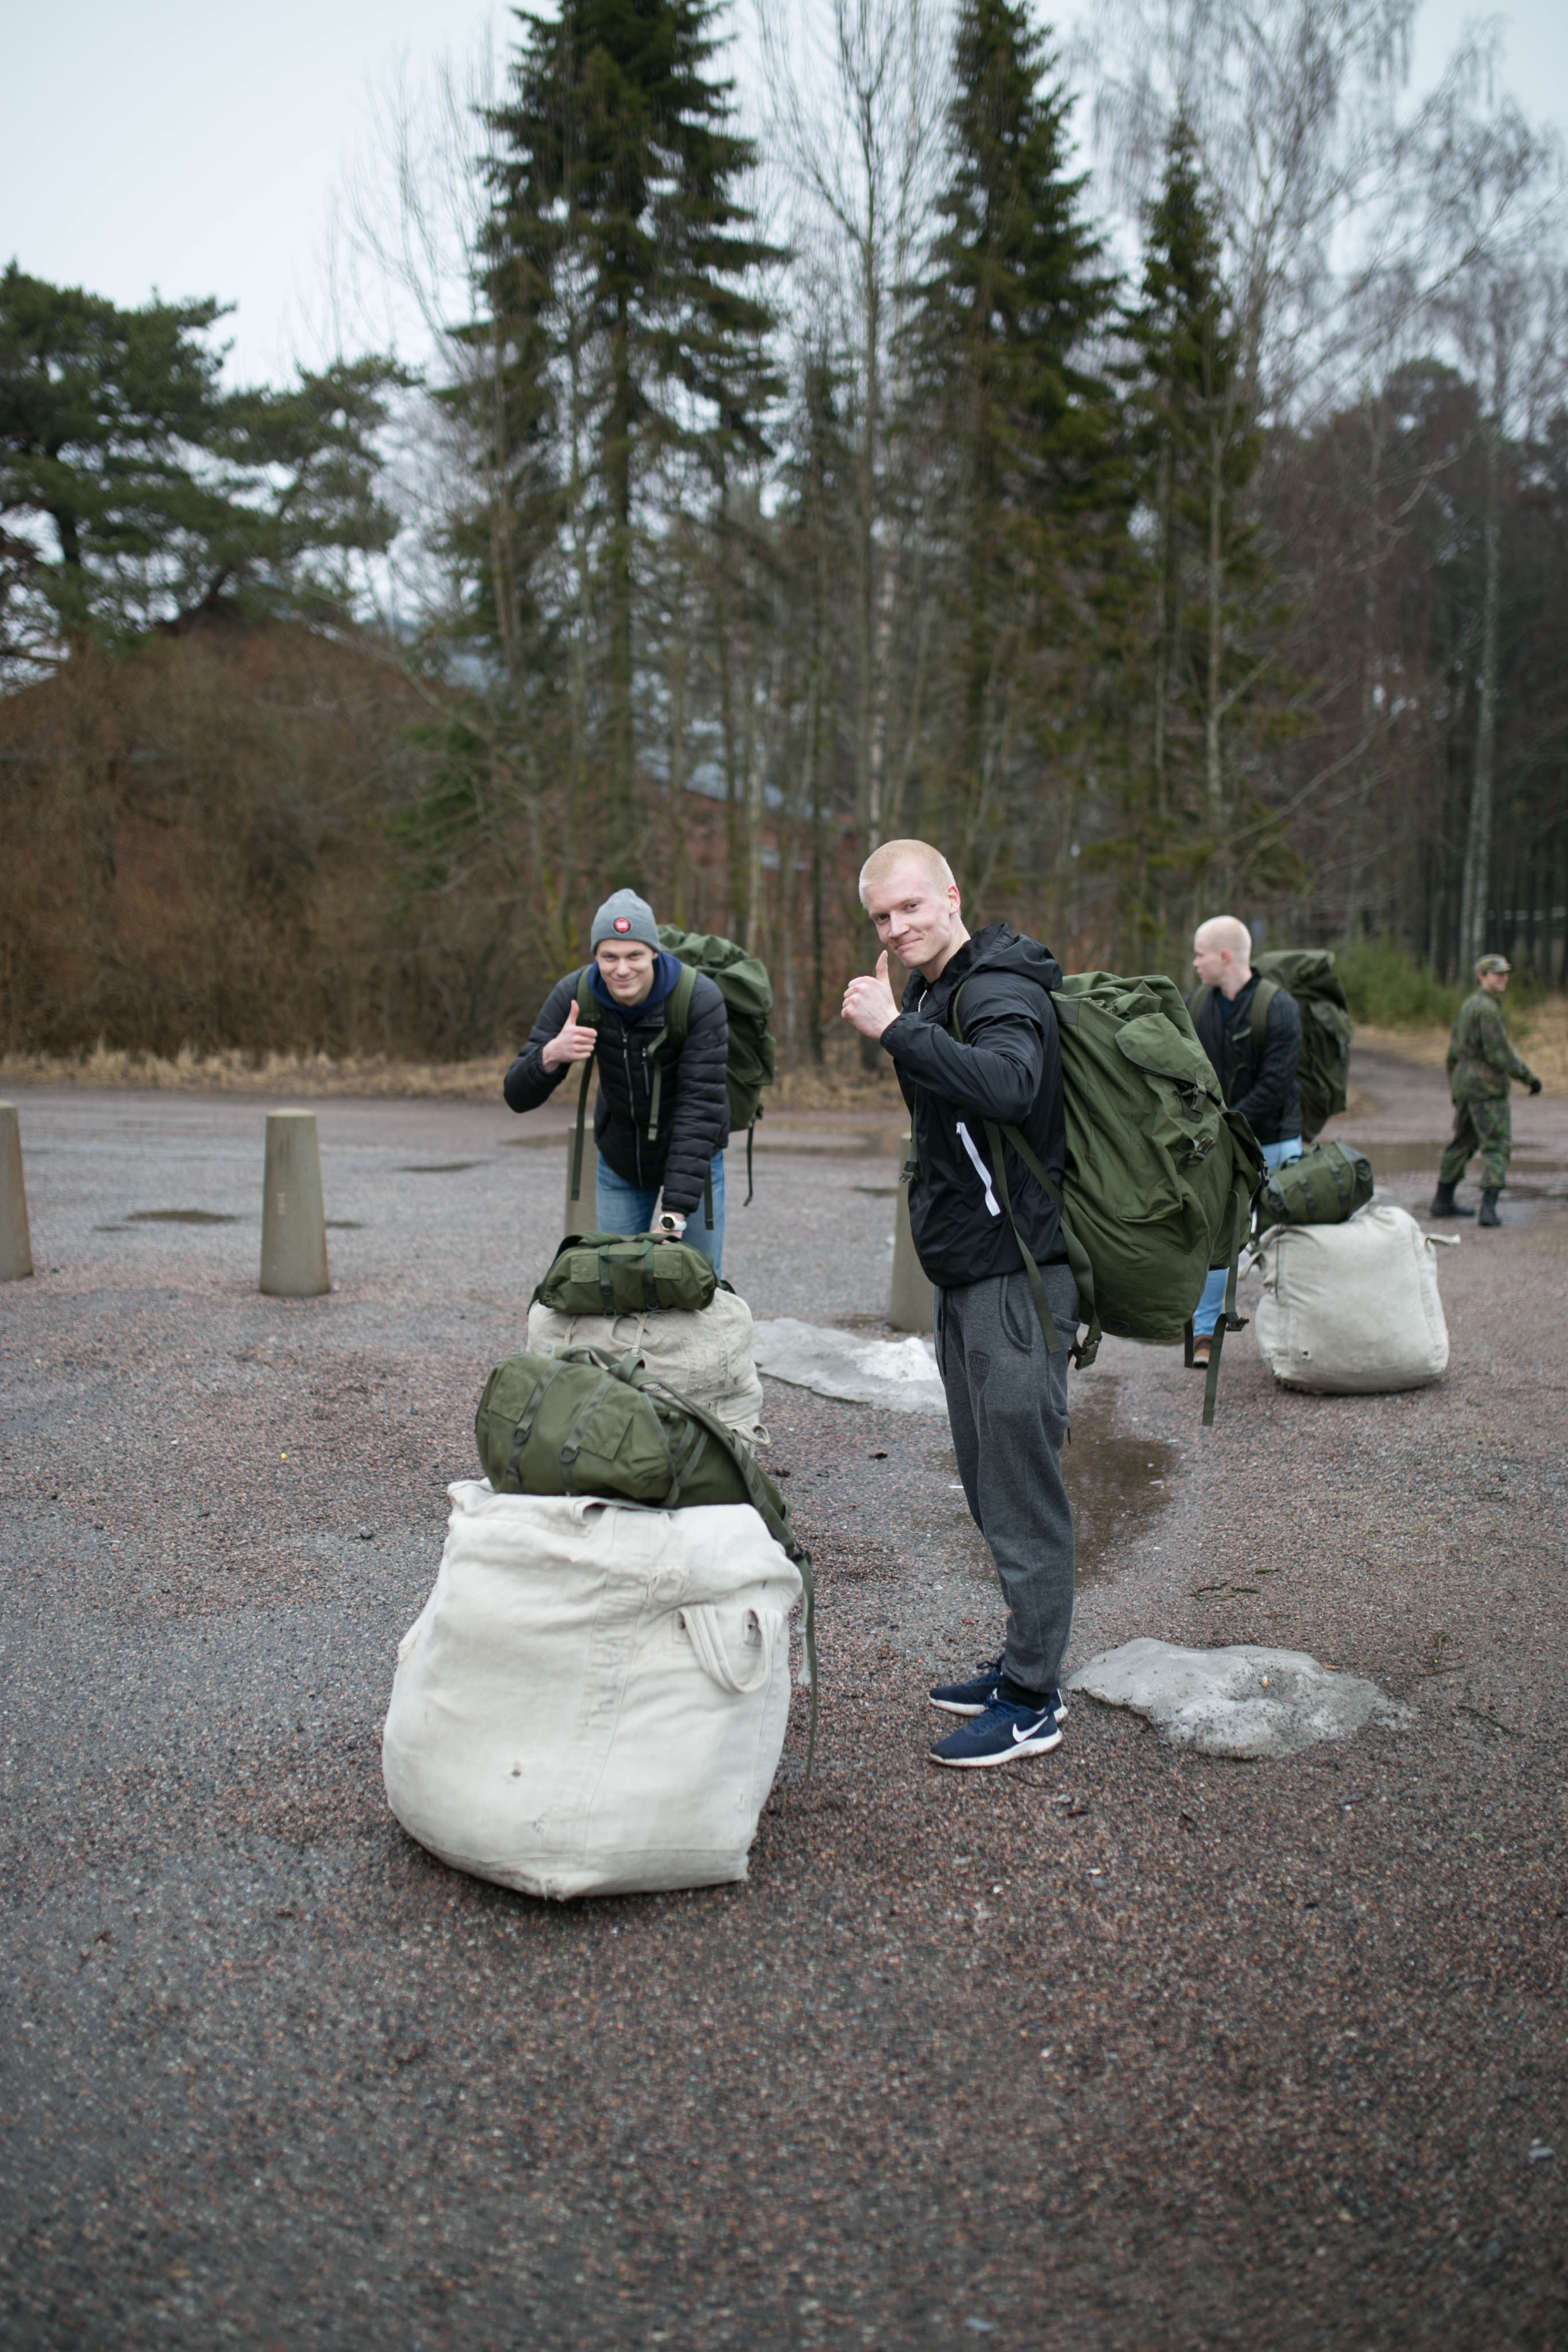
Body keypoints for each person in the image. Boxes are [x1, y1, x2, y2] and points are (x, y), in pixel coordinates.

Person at [841, 840, 1077, 1770]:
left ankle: (1033, 1700)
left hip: (1018, 1277)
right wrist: (909, 1021)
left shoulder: (998, 987)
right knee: (988, 1484)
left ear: (950, 895)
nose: (897, 927)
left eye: (910, 907)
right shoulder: (941, 991)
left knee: (1021, 1492)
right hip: (971, 1272)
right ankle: (1023, 1662)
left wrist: (895, 1030)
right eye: (882, 916)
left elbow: (1012, 1086)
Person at [504, 889, 731, 1268]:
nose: (622, 970)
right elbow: (516, 1096)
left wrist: (674, 1213)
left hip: (694, 1163)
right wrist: (551, 1055)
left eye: (634, 956)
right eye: (609, 957)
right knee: (619, 1284)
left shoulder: (699, 999)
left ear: (654, 953)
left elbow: (699, 1107)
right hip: (620, 1162)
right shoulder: (575, 994)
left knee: (697, 1286)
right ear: (596, 956)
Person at [1186, 915, 1303, 1366]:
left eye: (1200, 954)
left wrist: (1227, 1124)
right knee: (1218, 1237)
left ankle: (1297, 1335)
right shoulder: (1196, 1004)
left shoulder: (1280, 1007)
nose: (1195, 963)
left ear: (1224, 956)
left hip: (1275, 1140)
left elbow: (1276, 1085)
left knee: (1285, 1238)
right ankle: (1204, 1335)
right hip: (1221, 1144)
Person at [1430, 954, 1542, 1228]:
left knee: (1463, 1142)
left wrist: (1456, 1085)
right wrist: (1528, 1078)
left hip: (1467, 1085)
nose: (1503, 978)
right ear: (1482, 976)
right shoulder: (1487, 1009)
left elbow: (1453, 1052)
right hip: (1486, 1088)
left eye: (1505, 973)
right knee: (1497, 1144)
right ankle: (1488, 1209)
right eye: (1497, 974)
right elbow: (1499, 1053)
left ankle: (1442, 1200)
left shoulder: (1469, 1005)